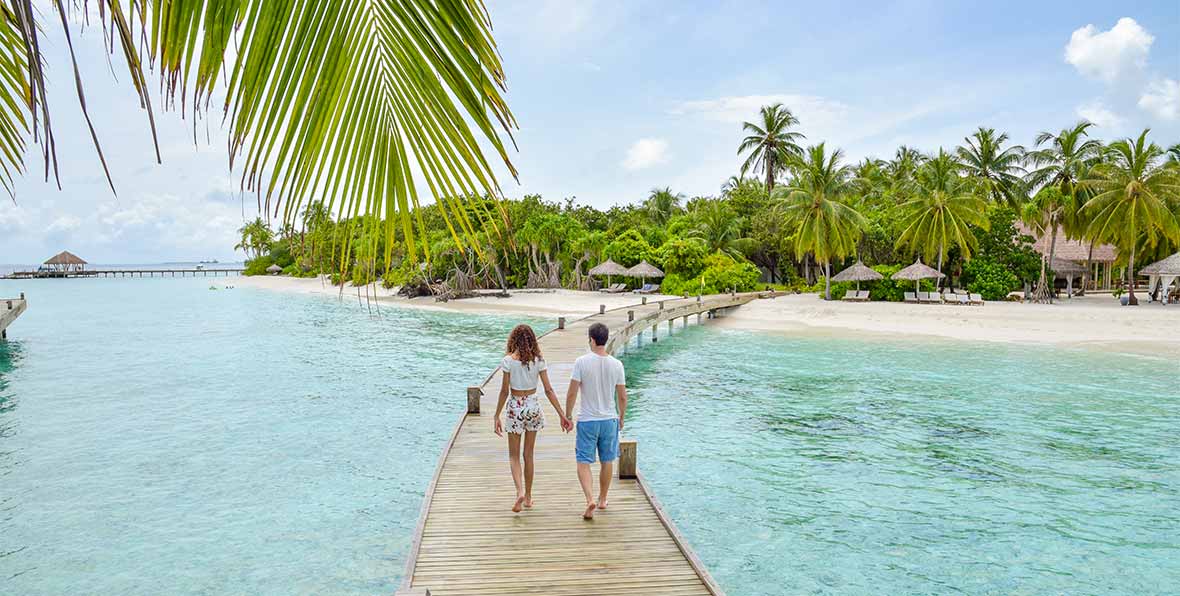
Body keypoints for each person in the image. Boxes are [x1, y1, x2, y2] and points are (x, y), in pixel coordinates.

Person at [494, 324, 570, 513]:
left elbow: (504, 391)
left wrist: (496, 415)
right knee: (528, 455)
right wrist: (562, 415)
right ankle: (528, 498)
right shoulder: (539, 361)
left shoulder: (508, 361)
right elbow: (549, 389)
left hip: (515, 407)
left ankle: (519, 491)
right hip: (533, 407)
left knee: (514, 455)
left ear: (513, 340)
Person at [564, 322, 627, 520]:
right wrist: (622, 417)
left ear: (591, 339)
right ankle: (602, 500)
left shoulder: (581, 362)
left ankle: (590, 498)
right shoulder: (617, 364)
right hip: (609, 419)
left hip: (588, 420)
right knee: (607, 460)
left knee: (583, 461)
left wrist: (568, 415)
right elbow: (622, 396)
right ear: (605, 339)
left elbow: (572, 391)